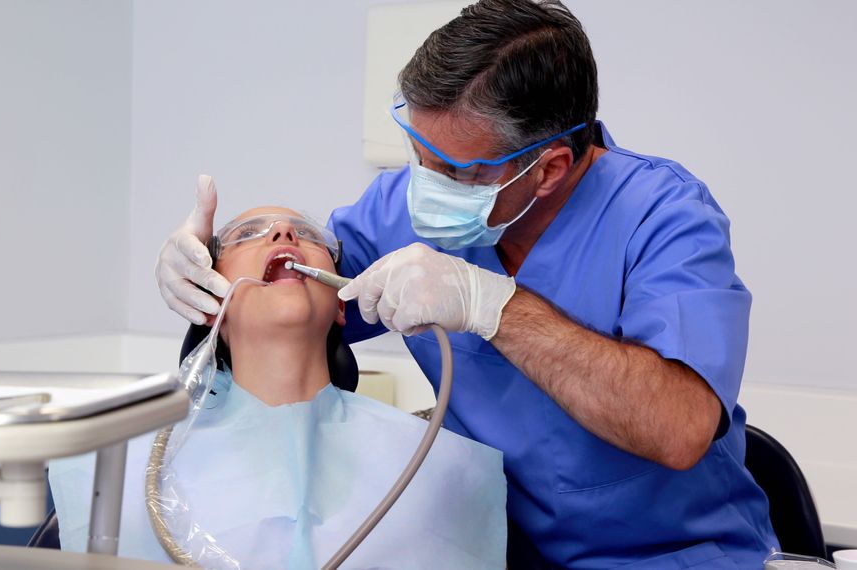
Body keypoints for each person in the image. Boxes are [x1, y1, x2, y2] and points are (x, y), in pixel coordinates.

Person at [154, 1, 779, 567]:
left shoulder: (661, 215)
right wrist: (199, 268)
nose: (422, 185)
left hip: (673, 555)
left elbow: (679, 427)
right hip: (493, 548)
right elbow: (318, 291)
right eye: (418, 152)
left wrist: (493, 306)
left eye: (453, 170)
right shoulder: (401, 208)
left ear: (549, 168)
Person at [54, 207, 508, 568]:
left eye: (309, 235)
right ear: (210, 302)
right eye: (248, 232)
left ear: (340, 308)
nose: (285, 234)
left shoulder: (443, 472)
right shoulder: (115, 471)